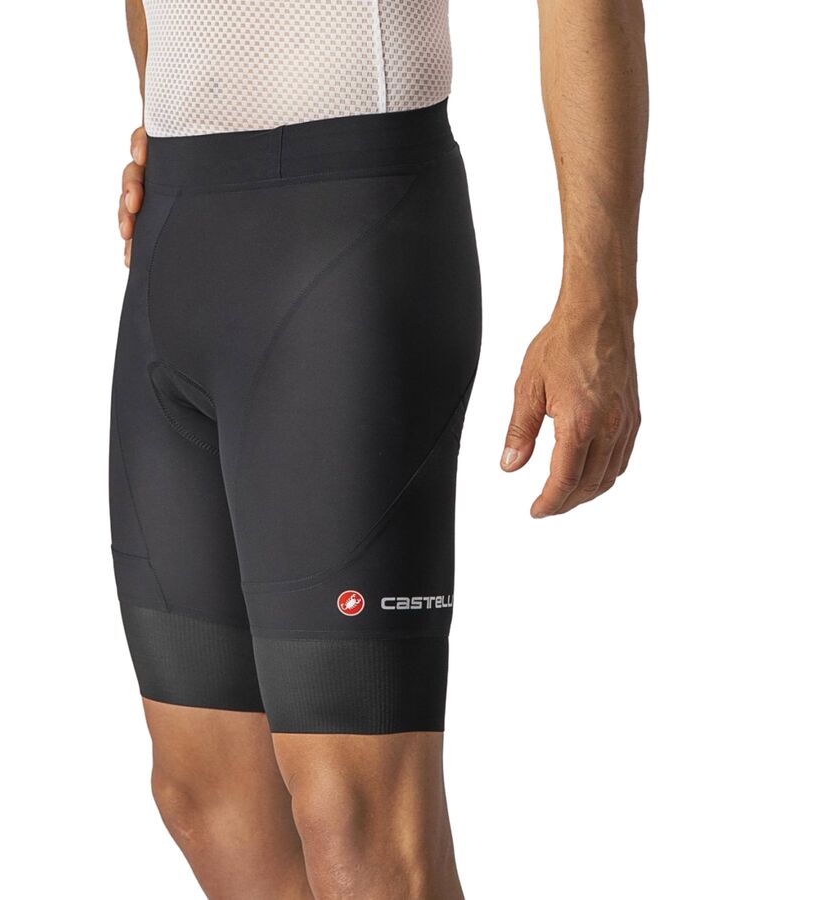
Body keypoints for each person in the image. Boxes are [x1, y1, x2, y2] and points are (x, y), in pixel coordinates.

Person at [111, 1, 646, 896]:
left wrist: (600, 301)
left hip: (349, 227)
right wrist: (168, 108)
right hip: (178, 232)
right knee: (206, 796)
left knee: (358, 823)